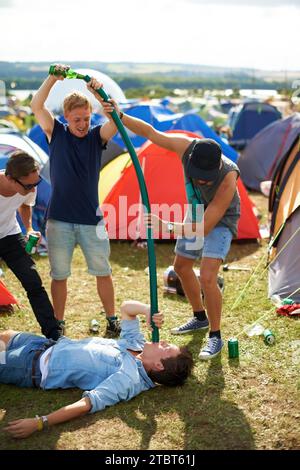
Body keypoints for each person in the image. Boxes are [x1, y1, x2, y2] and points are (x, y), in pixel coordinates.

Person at [102, 101, 240, 360]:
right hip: (197, 211)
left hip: (219, 220)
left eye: (206, 177)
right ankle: (199, 317)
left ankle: (215, 335)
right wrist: (120, 116)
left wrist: (167, 226)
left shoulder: (229, 177)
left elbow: (205, 227)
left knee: (209, 276)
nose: (201, 181)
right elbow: (150, 132)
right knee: (182, 267)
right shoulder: (185, 147)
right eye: (198, 175)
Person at [1, 301, 193, 439]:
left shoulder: (128, 379)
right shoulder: (138, 345)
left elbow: (87, 404)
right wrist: (148, 310)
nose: (165, 341)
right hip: (44, 345)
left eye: (167, 348)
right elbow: (127, 309)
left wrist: (40, 422)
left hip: (30, 366)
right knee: (4, 336)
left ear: (159, 365)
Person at [31, 64, 120, 336]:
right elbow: (37, 105)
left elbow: (115, 122)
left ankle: (112, 318)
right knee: (59, 275)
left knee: (102, 272)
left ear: (91, 116)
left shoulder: (96, 137)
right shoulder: (55, 133)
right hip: (59, 220)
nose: (82, 124)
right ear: (66, 117)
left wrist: (101, 94)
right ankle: (58, 321)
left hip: (91, 219)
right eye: (76, 119)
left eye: (85, 118)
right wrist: (52, 78)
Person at [0, 151, 62, 340]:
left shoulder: (29, 188)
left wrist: (28, 228)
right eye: (28, 185)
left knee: (33, 283)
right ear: (10, 178)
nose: (33, 189)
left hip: (10, 235)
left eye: (36, 184)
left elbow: (25, 205)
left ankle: (54, 335)